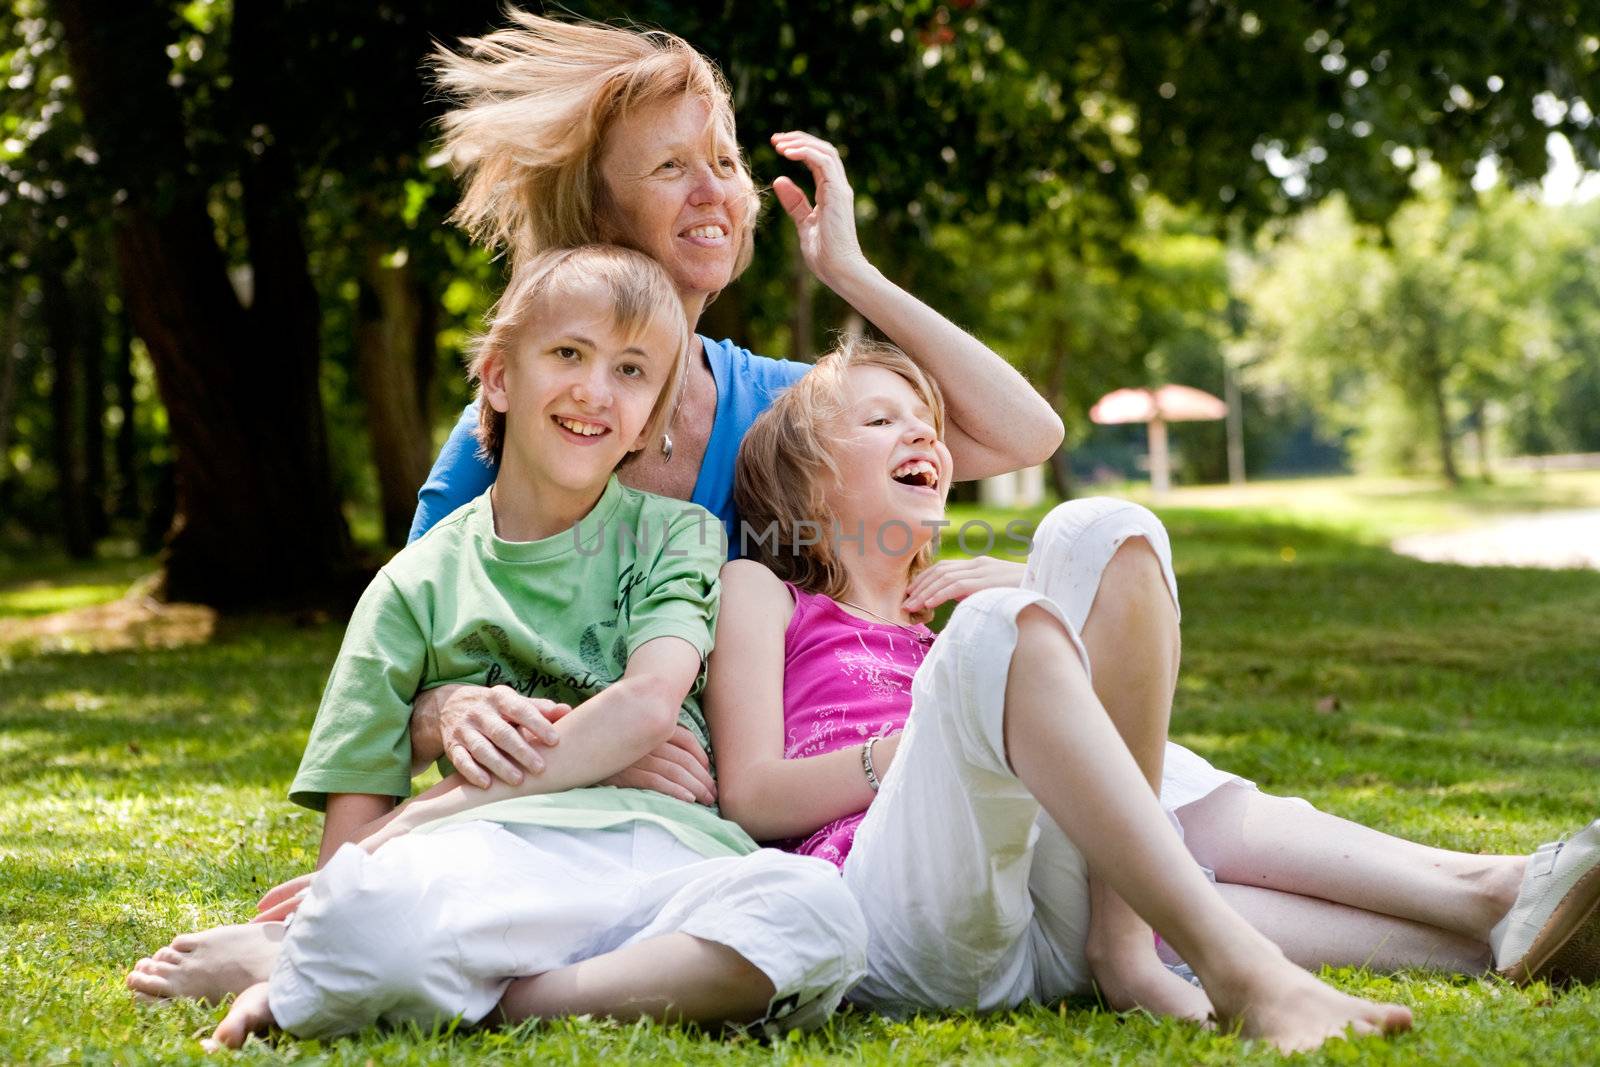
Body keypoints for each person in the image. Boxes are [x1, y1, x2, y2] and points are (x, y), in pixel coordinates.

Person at [704, 337, 1600, 1051]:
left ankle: (1496, 906)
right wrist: (924, 732)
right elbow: (752, 793)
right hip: (908, 917)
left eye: (927, 424)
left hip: (1052, 924)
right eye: (880, 420)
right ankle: (1242, 971)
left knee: (1106, 526)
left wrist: (1031, 594)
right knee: (998, 639)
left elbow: (1104, 720)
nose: (924, 437)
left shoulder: (951, 623)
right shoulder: (766, 593)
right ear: (809, 480)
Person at [126, 245, 866, 1049]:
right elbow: (349, 856)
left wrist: (419, 819)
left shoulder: (677, 536)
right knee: (367, 917)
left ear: (652, 419)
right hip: (490, 864)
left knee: (819, 913)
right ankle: (320, 961)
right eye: (568, 354)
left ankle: (493, 994)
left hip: (668, 850)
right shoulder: (412, 586)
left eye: (630, 371)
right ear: (500, 377)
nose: (594, 390)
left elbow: (650, 704)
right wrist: (383, 863)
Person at [407, 10, 1068, 801]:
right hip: (569, 812)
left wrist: (852, 274)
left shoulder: (774, 404)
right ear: (600, 215)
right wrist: (464, 712)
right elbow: (396, 667)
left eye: (723, 160)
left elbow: (1026, 433)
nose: (714, 188)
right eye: (670, 168)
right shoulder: (521, 428)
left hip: (753, 822)